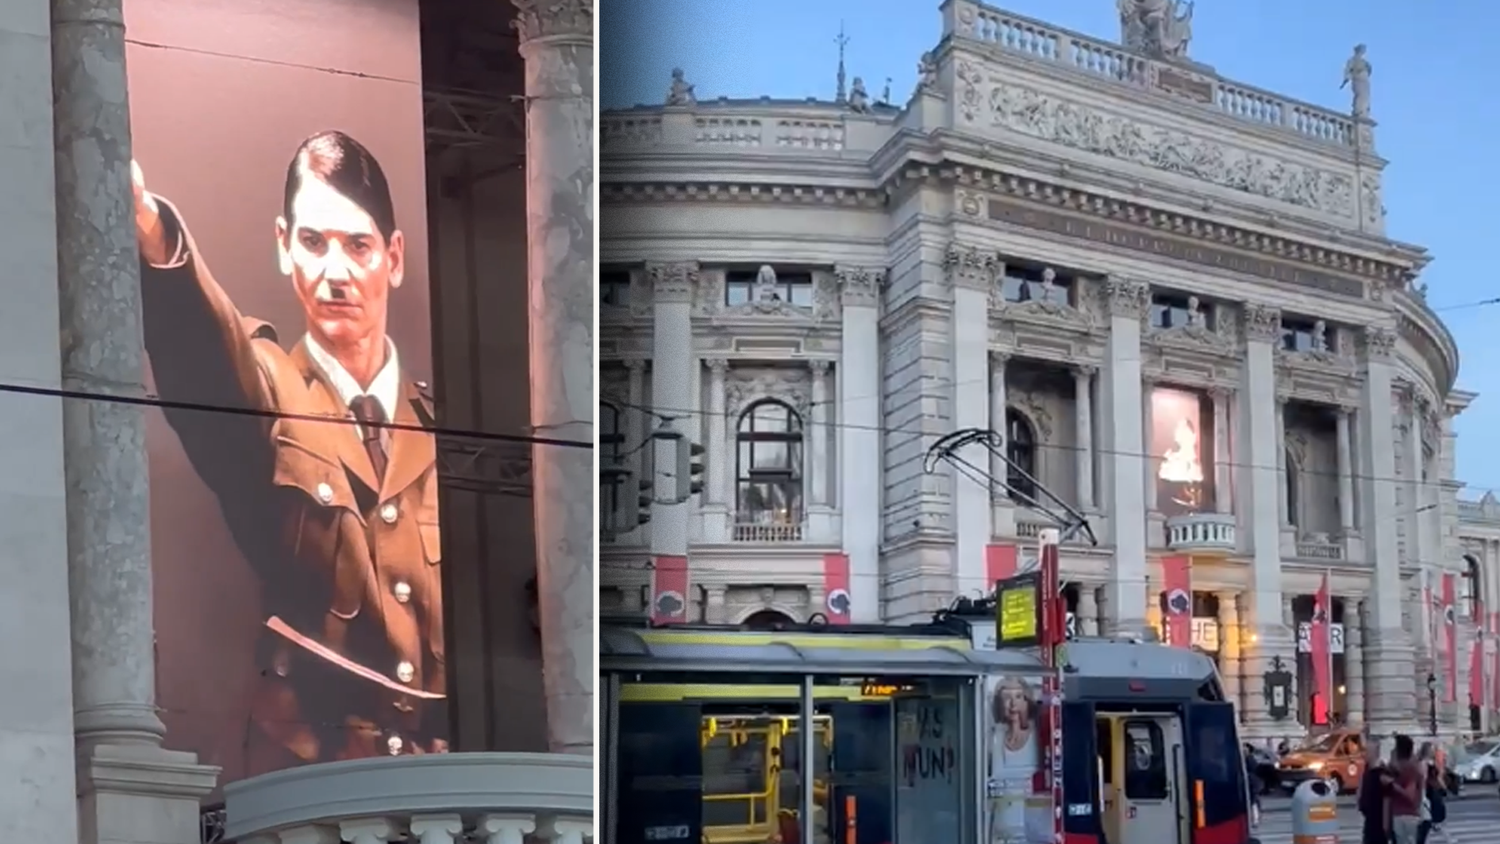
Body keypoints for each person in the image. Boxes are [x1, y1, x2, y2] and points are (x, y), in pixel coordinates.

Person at [132, 130, 444, 773]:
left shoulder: (444, 431)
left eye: (358, 245)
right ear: (284, 245)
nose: (336, 273)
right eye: (313, 242)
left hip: (441, 780)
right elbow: (207, 356)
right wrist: (153, 231)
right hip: (308, 775)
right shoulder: (270, 386)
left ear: (394, 258)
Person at [988, 676, 1050, 844]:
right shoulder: (994, 738)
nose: (1013, 704)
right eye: (1007, 698)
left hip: (1032, 834)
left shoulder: (1039, 736)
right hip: (1000, 834)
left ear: (1027, 701)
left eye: (1018, 697)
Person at [1387, 734, 1424, 844]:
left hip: (1403, 815)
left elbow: (1409, 794)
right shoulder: (1412, 769)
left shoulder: (1408, 769)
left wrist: (1393, 785)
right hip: (1409, 814)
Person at [1356, 738, 1392, 844]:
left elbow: (1387, 799)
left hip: (1378, 822)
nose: (1364, 754)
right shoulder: (1368, 770)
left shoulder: (1382, 772)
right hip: (1369, 821)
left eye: (1367, 751)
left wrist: (1386, 825)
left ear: (1375, 752)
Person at [1417, 742, 1452, 844]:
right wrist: (1422, 795)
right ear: (1427, 751)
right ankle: (1445, 838)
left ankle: (1430, 839)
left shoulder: (1431, 763)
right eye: (1431, 750)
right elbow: (1423, 780)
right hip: (1429, 792)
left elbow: (1437, 777)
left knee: (1435, 817)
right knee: (1432, 818)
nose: (1433, 752)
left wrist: (1444, 788)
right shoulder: (1423, 764)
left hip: (1434, 791)